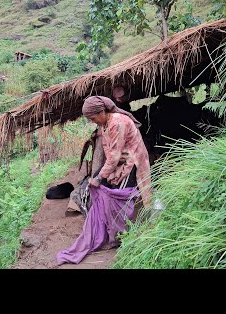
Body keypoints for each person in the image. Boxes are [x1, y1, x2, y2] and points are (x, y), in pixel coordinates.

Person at [56, 96, 153, 265]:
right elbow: (112, 155)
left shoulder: (117, 122)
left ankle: (123, 234)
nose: (93, 122)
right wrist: (102, 176)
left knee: (121, 197)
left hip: (132, 161)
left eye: (93, 118)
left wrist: (100, 177)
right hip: (119, 161)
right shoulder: (105, 124)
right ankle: (111, 231)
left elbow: (114, 156)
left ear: (102, 112)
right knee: (104, 191)